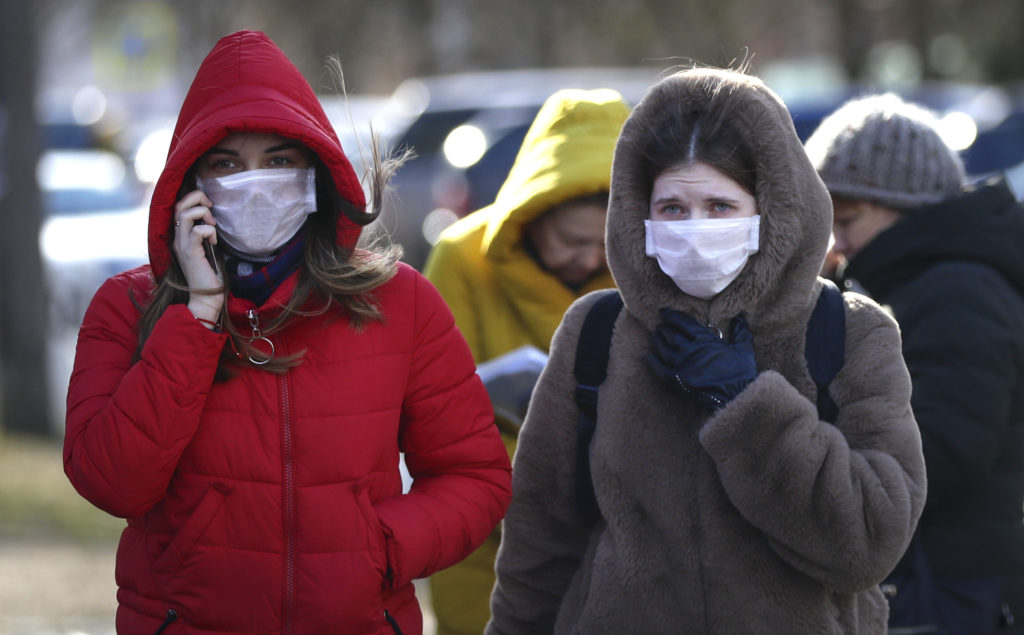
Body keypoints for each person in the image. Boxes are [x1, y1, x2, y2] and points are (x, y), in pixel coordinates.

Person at [62, 30, 511, 635]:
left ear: (313, 175)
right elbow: (110, 481)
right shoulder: (126, 307)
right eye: (227, 164)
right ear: (190, 187)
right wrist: (197, 312)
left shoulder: (399, 302)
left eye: (278, 161)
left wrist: (380, 548)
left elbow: (474, 476)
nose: (255, 182)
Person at [487, 67, 926, 633]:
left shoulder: (847, 332)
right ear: (638, 215)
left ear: (772, 213)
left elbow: (869, 542)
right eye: (672, 208)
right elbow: (538, 545)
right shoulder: (597, 333)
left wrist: (747, 407)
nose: (694, 229)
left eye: (720, 207)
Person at [806, 93, 1024, 632]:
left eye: (848, 219)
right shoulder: (908, 285)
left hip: (954, 587)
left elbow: (945, 449)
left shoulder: (957, 290)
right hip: (936, 578)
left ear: (906, 207)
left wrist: (814, 451)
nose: (836, 244)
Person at [422, 88, 630, 635]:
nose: (588, 259)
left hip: (614, 544)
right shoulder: (462, 257)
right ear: (531, 211)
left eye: (605, 244)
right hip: (485, 538)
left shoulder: (639, 274)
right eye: (571, 240)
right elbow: (435, 415)